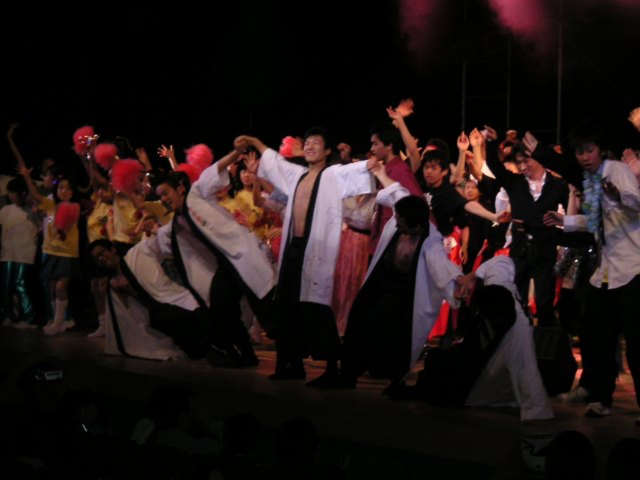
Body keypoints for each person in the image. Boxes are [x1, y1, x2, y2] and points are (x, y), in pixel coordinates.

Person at [235, 129, 375, 386]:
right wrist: (255, 142)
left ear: (328, 151)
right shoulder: (297, 175)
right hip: (293, 247)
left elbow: (364, 169)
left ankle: (333, 368)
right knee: (286, 305)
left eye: (316, 142)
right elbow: (275, 162)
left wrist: (376, 161)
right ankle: (291, 364)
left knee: (316, 306)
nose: (310, 146)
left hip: (315, 250)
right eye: (307, 142)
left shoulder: (332, 175)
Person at [543, 126, 640, 421]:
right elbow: (598, 221)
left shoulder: (616, 171)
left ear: (601, 150)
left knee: (636, 344)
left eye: (589, 150)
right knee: (597, 339)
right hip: (605, 272)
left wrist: (619, 196)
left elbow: (636, 203)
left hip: (632, 269)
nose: (584, 157)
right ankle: (599, 397)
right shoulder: (592, 178)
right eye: (579, 152)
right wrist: (565, 221)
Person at [153, 147, 277, 367]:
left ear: (180, 189)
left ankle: (291, 360)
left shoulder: (197, 193)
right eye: (159, 196)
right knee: (222, 308)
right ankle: (246, 355)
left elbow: (215, 169)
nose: (163, 199)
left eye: (165, 193)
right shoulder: (177, 223)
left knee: (267, 310)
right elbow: (162, 240)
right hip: (227, 265)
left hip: (244, 256)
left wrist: (236, 152)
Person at [341, 166, 462, 387]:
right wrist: (380, 174)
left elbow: (441, 266)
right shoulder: (405, 212)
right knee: (360, 316)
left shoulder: (430, 241)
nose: (396, 223)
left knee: (383, 327)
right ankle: (356, 364)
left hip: (403, 290)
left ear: (417, 226)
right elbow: (397, 191)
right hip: (381, 280)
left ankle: (382, 368)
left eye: (401, 223)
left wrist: (459, 281)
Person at [484, 127, 568, 327]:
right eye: (519, 162)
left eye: (526, 161)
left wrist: (560, 225)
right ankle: (520, 340)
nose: (522, 166)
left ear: (538, 159)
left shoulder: (557, 185)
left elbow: (571, 214)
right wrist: (492, 143)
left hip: (545, 252)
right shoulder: (515, 183)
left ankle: (545, 342)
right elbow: (494, 165)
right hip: (520, 251)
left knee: (544, 303)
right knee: (517, 302)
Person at [89, 238, 209, 360]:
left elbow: (159, 242)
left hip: (168, 299)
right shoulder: (114, 282)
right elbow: (125, 310)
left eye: (102, 253)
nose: (101, 258)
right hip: (153, 313)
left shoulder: (135, 257)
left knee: (192, 315)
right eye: (96, 258)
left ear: (112, 249)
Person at [0, 177, 40, 328]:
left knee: (20, 282)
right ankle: (8, 315)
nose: (11, 196)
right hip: (8, 253)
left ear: (23, 193)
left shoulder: (33, 211)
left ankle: (30, 317)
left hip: (25, 253)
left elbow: (47, 221)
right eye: (9, 193)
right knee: (6, 284)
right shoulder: (6, 210)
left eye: (14, 193)